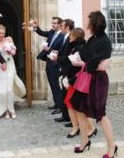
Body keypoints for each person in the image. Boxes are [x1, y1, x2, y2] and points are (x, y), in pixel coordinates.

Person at [70, 11, 117, 158]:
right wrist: (85, 62)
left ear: (95, 24)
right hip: (86, 78)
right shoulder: (92, 39)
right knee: (78, 109)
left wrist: (86, 64)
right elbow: (85, 56)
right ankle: (84, 141)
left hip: (98, 82)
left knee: (100, 114)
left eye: (89, 22)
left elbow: (102, 66)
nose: (87, 24)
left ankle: (112, 147)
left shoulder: (104, 41)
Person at [32, 17, 65, 115]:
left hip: (56, 63)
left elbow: (61, 52)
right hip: (49, 62)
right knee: (52, 84)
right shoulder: (51, 32)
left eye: (55, 23)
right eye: (52, 23)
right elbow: (42, 33)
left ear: (59, 25)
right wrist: (36, 27)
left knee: (55, 85)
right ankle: (56, 103)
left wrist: (49, 49)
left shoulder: (63, 36)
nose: (53, 25)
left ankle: (60, 106)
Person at [52, 18, 74, 123]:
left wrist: (58, 58)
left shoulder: (71, 37)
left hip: (68, 69)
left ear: (67, 27)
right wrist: (57, 52)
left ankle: (70, 118)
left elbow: (69, 54)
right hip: (64, 68)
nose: (61, 27)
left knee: (67, 94)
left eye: (62, 26)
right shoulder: (66, 36)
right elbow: (63, 51)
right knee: (64, 93)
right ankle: (65, 116)